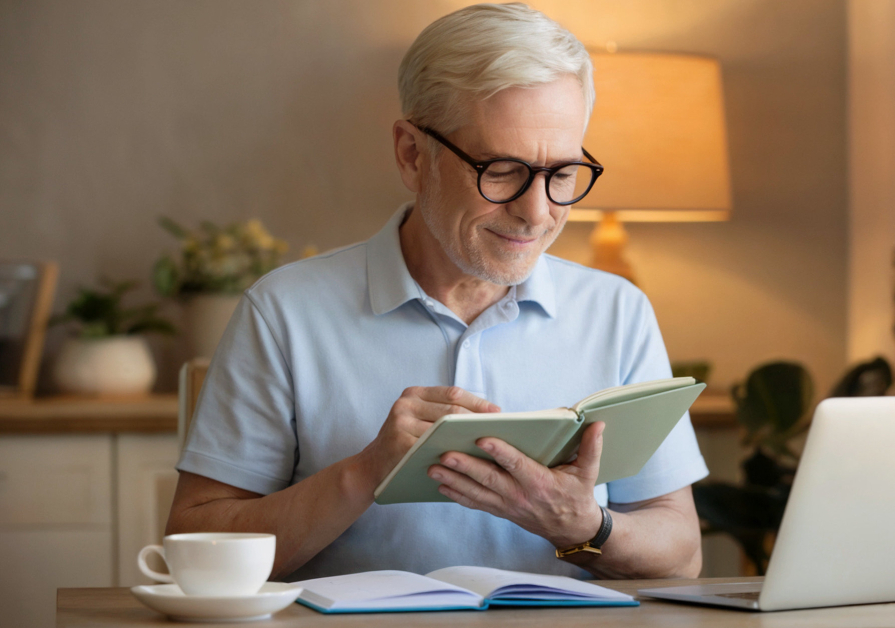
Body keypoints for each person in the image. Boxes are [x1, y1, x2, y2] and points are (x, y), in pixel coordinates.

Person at [166, 3, 709, 581]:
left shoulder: (617, 312)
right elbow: (194, 546)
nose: (536, 212)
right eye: (501, 169)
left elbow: (682, 555)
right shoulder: (284, 312)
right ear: (411, 154)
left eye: (562, 174)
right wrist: (364, 473)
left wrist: (584, 527)